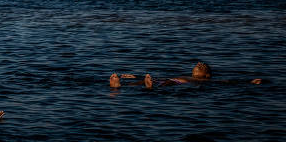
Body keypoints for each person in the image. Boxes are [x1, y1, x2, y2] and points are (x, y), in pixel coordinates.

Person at [110, 62, 262, 89]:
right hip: (167, 79)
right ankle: (120, 85)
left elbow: (227, 82)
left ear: (207, 75)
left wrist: (249, 82)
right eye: (197, 64)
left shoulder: (208, 81)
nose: (199, 63)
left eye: (203, 66)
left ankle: (150, 88)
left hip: (177, 83)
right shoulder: (188, 76)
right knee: (148, 80)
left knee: (165, 83)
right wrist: (135, 77)